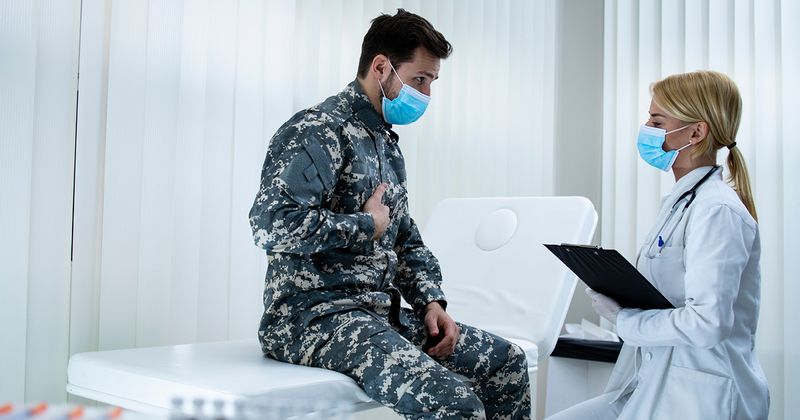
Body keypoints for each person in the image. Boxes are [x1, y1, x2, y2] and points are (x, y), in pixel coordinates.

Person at [248, 9, 530, 419]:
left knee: (507, 363)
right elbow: (271, 226)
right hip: (312, 317)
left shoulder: (385, 145)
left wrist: (432, 302)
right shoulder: (317, 130)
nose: (427, 94)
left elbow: (405, 239)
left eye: (432, 82)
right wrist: (365, 225)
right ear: (382, 67)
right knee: (452, 403)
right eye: (419, 79)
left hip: (379, 312)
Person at [547, 70, 769, 420]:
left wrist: (624, 319)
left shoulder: (717, 211)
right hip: (657, 380)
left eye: (656, 119)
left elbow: (707, 323)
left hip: (701, 394)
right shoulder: (683, 202)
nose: (646, 128)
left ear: (696, 132)